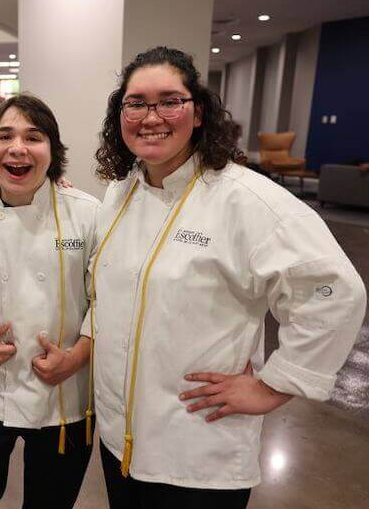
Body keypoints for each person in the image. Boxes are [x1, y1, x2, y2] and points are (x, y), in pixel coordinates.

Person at [89, 46, 366, 509]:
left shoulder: (246, 200)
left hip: (199, 450)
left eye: (169, 100)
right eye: (136, 103)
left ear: (198, 113)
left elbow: (334, 291)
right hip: (120, 441)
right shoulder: (120, 195)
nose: (151, 115)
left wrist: (273, 385)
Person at [0, 94, 99, 509]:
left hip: (63, 396)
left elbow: (109, 302)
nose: (17, 148)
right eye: (4, 135)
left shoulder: (88, 216)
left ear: (53, 151)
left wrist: (78, 355)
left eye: (34, 137)